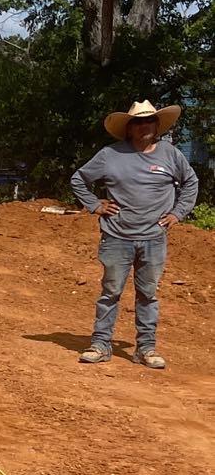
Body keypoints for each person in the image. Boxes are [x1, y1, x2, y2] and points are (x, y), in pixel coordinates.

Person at [70, 100, 198, 368]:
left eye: (149, 121)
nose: (144, 126)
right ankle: (101, 344)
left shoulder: (171, 155)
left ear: (157, 125)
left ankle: (146, 349)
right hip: (116, 236)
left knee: (148, 294)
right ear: (128, 129)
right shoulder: (110, 155)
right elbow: (79, 179)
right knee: (110, 292)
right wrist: (95, 205)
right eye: (138, 122)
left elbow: (191, 183)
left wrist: (177, 213)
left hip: (154, 237)